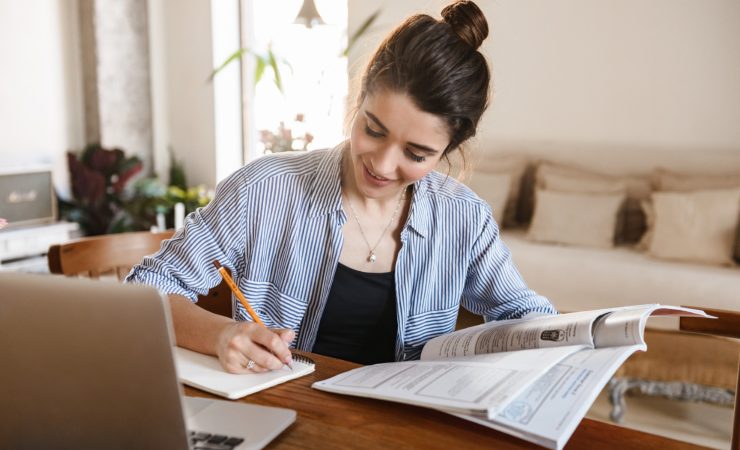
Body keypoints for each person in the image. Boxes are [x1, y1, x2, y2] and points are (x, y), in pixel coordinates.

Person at [126, 0, 556, 373]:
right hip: (284, 413)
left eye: (416, 154)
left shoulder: (463, 217)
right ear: (359, 97)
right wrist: (222, 335)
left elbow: (523, 314)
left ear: (449, 149)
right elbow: (145, 292)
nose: (383, 165)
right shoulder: (264, 189)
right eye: (373, 129)